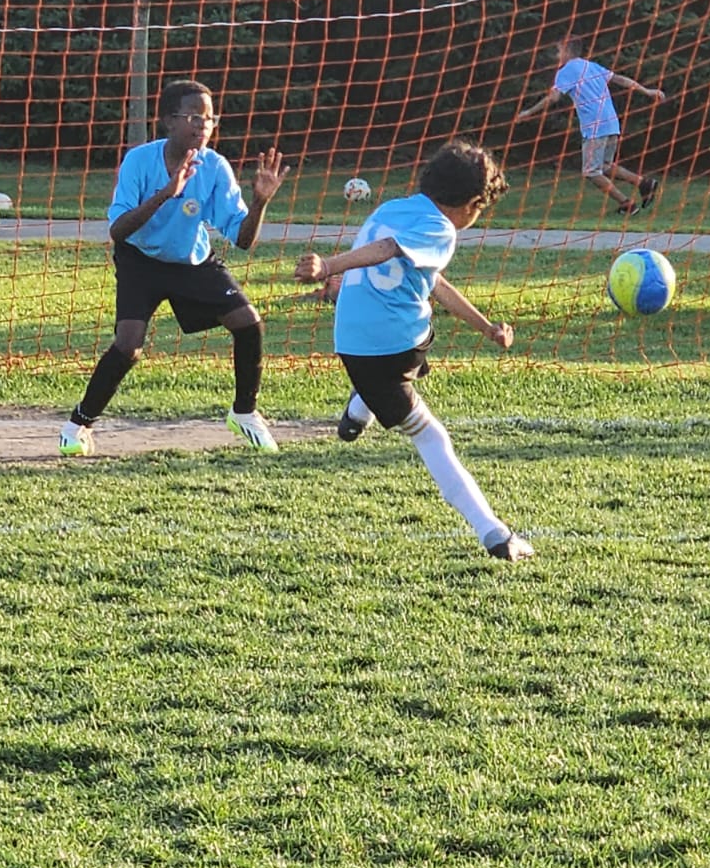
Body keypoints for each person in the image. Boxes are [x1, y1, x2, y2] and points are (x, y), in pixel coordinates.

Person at [293, 139, 534, 562]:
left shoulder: (391, 209)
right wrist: (330, 266)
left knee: (417, 324)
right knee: (430, 435)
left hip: (360, 342)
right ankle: (495, 534)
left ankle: (359, 408)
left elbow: (435, 282)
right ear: (473, 203)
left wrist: (486, 327)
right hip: (384, 351)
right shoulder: (440, 228)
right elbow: (387, 251)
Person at [59, 79, 289, 456]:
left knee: (249, 323)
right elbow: (118, 231)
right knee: (128, 346)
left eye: (210, 119)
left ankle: (244, 413)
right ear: (169, 121)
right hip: (140, 260)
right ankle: (78, 423)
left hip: (190, 262)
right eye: (194, 117)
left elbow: (243, 240)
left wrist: (261, 202)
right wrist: (168, 191)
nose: (203, 126)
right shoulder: (139, 161)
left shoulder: (215, 167)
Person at [514, 36, 666, 216]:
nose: (557, 55)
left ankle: (627, 205)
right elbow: (620, 80)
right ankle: (644, 183)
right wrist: (647, 91)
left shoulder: (566, 71)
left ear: (567, 50)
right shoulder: (590, 66)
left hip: (595, 125)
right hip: (611, 122)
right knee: (606, 166)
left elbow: (553, 98)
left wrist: (528, 113)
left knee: (591, 171)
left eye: (558, 50)